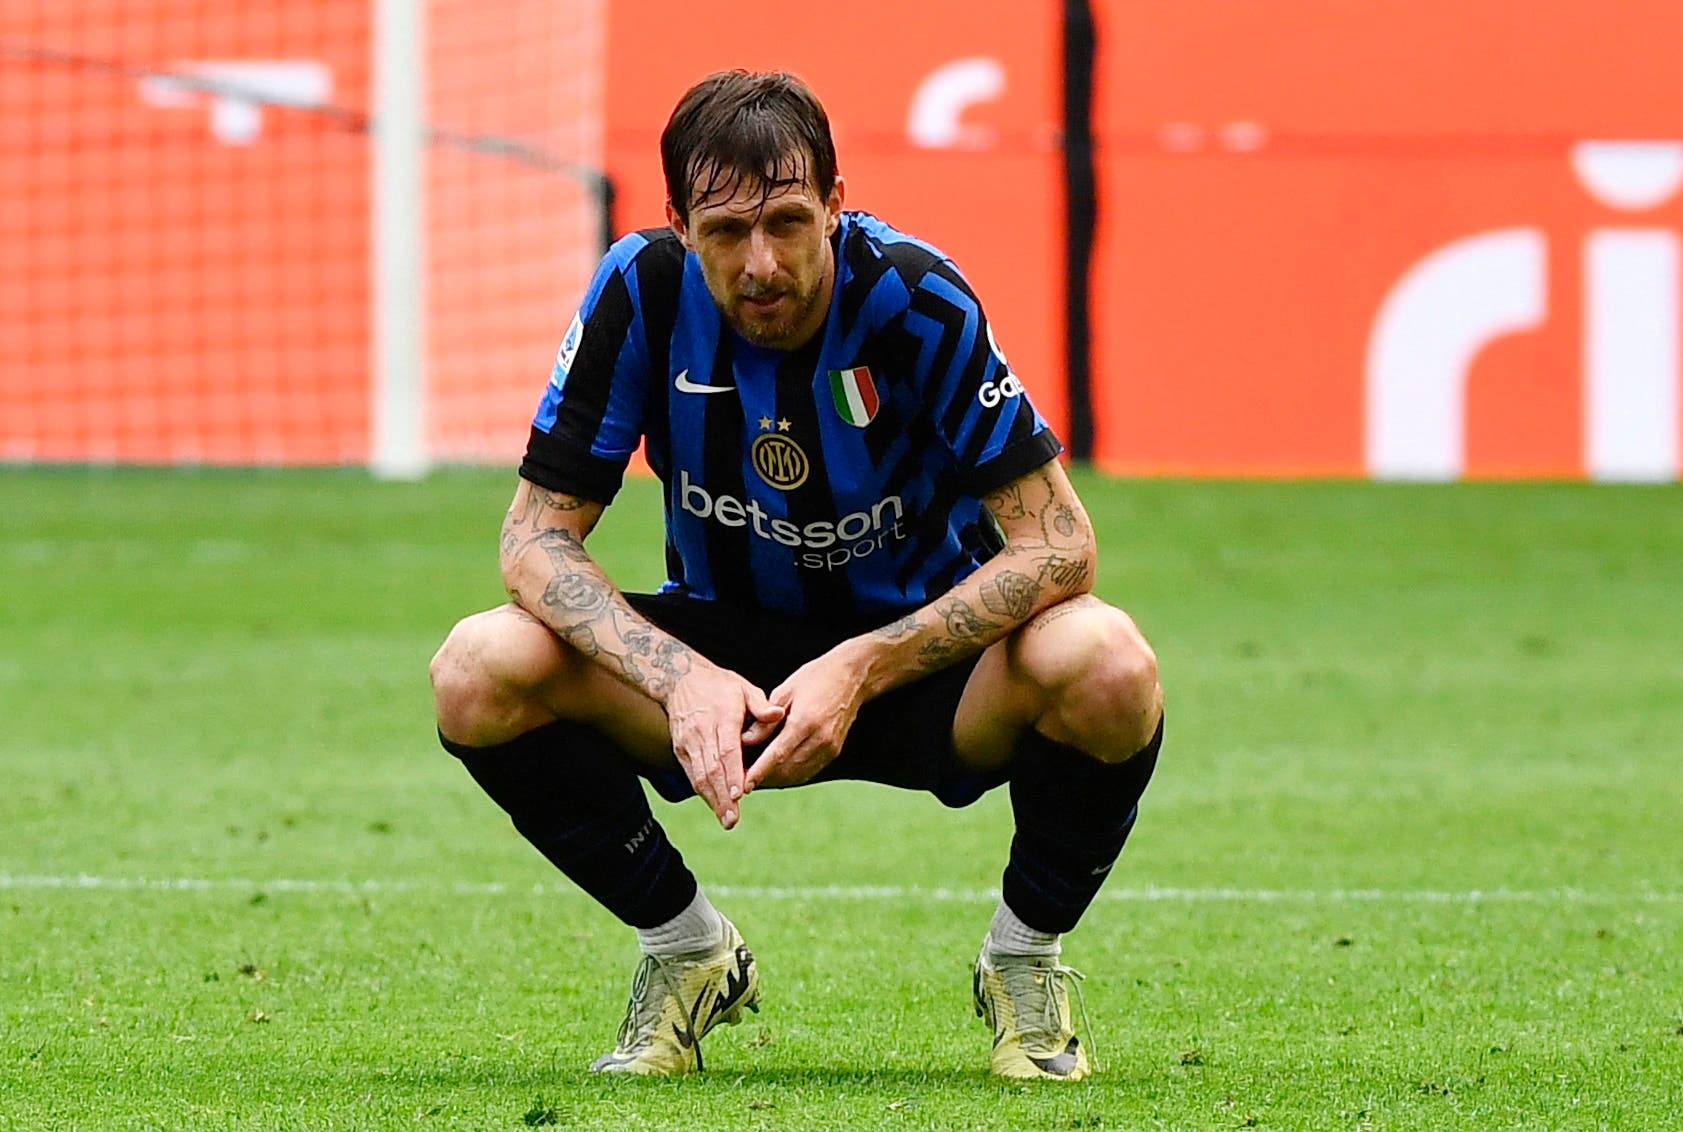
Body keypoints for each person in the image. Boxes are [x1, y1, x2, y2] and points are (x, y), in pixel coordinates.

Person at [428, 69, 1164, 1081]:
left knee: (1107, 661)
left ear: (835, 205)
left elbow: (1059, 542)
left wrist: (861, 666)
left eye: (786, 222)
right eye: (726, 232)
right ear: (680, 226)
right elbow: (534, 541)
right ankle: (687, 951)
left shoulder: (914, 296)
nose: (761, 263)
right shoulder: (640, 292)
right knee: (478, 668)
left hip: (923, 667)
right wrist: (680, 677)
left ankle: (1023, 964)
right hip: (725, 663)